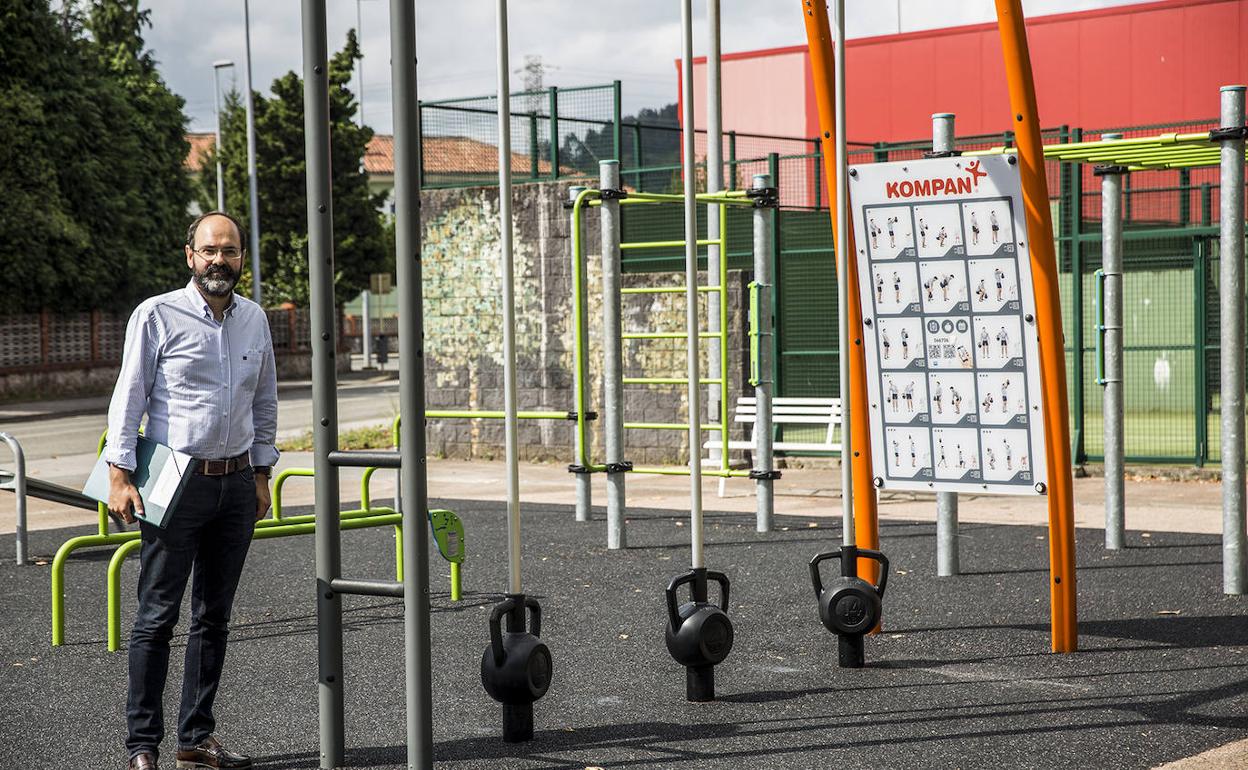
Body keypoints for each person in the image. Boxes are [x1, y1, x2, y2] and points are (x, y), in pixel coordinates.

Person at [105, 211, 278, 770]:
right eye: (209, 251)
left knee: (213, 617)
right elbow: (129, 396)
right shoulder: (157, 315)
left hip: (234, 486)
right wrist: (119, 473)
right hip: (173, 485)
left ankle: (195, 738)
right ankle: (142, 746)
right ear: (190, 256)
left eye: (229, 251)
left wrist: (261, 472)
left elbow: (265, 402)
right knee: (157, 616)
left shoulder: (254, 320)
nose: (218, 261)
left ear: (242, 258)